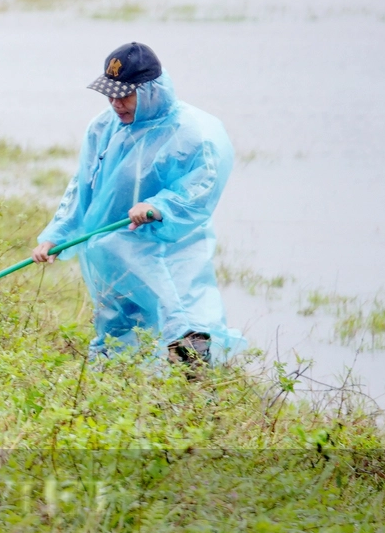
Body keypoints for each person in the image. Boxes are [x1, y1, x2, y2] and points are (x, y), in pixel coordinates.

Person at [33, 42, 244, 369]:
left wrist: (160, 206)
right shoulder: (103, 128)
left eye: (125, 95)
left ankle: (197, 404)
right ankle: (118, 399)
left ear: (150, 90)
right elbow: (81, 188)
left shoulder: (194, 132)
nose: (116, 104)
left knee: (183, 325)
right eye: (110, 94)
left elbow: (203, 184)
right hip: (112, 255)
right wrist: (56, 235)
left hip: (170, 251)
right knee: (119, 330)